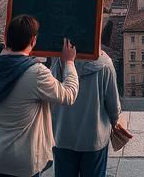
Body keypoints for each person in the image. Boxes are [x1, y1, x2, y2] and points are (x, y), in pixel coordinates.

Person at [0, 15, 79, 177]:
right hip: (20, 160)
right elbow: (69, 95)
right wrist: (69, 62)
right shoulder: (35, 73)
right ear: (33, 40)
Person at [49, 47, 121, 177]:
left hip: (62, 136)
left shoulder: (59, 61)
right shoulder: (105, 63)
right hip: (94, 139)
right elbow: (113, 105)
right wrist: (115, 121)